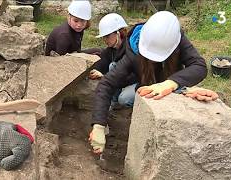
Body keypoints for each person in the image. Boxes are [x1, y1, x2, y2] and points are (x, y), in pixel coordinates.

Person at [89, 11, 218, 154]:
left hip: (172, 86)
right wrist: (98, 125)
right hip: (147, 86)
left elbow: (199, 66)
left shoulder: (175, 37)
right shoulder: (135, 47)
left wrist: (171, 83)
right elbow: (107, 83)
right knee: (125, 98)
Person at [89, 13, 137, 108]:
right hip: (123, 80)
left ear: (119, 33)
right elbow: (102, 61)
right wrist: (95, 70)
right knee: (112, 66)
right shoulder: (112, 49)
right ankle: (113, 102)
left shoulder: (131, 49)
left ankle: (133, 109)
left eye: (107, 36)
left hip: (139, 81)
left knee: (124, 99)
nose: (104, 40)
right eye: (104, 37)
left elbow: (134, 76)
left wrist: (106, 77)